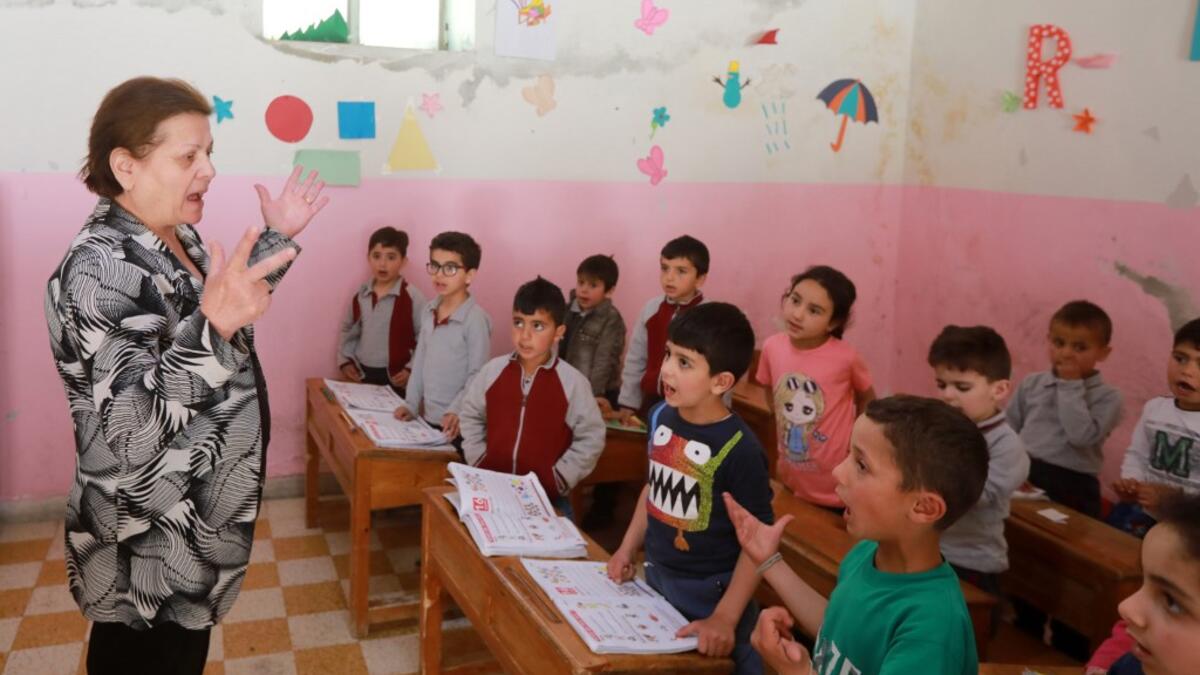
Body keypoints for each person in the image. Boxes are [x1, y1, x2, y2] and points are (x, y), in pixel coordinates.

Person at [44, 76, 329, 675]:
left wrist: (279, 239)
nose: (208, 171)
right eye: (188, 156)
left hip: (190, 524)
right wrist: (215, 330)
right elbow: (135, 430)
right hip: (145, 538)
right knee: (141, 658)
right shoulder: (101, 269)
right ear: (125, 166)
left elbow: (226, 306)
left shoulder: (181, 239)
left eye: (209, 154)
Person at [725, 396, 988, 675]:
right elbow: (839, 628)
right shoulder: (866, 554)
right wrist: (769, 561)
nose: (838, 471)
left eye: (861, 465)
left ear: (923, 507)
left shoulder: (931, 629)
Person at [608, 303, 773, 674]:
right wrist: (626, 547)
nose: (666, 369)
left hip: (712, 592)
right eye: (668, 354)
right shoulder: (660, 415)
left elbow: (758, 542)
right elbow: (654, 486)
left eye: (684, 363)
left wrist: (726, 619)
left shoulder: (741, 449)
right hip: (657, 575)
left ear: (721, 382)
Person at [457, 278, 606, 518]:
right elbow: (470, 415)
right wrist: (479, 460)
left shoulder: (573, 384)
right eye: (518, 323)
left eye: (538, 326)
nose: (525, 335)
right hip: (492, 492)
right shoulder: (492, 372)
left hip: (547, 500)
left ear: (559, 332)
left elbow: (592, 437)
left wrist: (559, 478)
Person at [755, 265, 875, 509]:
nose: (797, 314)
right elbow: (771, 392)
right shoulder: (771, 347)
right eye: (795, 300)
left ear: (834, 322)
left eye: (814, 311)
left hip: (835, 480)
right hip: (791, 471)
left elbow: (867, 398)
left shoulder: (846, 358)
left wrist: (855, 444)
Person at [928, 325, 1030, 595]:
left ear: (999, 389)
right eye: (942, 384)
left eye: (962, 387)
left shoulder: (1007, 445)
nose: (947, 395)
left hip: (971, 563)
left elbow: (974, 496)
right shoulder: (939, 428)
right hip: (927, 550)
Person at [1007, 300, 1122, 518]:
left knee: (1063, 543)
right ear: (1049, 340)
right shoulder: (1032, 383)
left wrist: (1070, 385)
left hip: (1073, 482)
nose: (1066, 353)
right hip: (1025, 471)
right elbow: (1009, 427)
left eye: (1080, 347)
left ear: (1103, 353)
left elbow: (1080, 437)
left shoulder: (1109, 398)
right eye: (1059, 343)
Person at [394, 231, 491, 441]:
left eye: (450, 268)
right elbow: (420, 362)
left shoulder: (475, 319)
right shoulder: (429, 310)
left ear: (470, 275)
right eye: (435, 266)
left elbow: (478, 374)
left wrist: (456, 410)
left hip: (459, 423)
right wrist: (411, 404)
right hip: (429, 417)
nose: (439, 274)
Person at [1111, 318, 1200, 537]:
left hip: (1189, 528)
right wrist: (1131, 482)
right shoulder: (1154, 409)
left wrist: (1176, 499)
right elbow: (1138, 455)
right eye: (1180, 358)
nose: (1187, 371)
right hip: (1145, 514)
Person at [616, 235, 709, 421]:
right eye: (665, 268)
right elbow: (636, 358)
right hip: (650, 401)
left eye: (681, 271)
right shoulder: (651, 309)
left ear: (700, 279)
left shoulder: (708, 316)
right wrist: (628, 403)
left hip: (690, 406)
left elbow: (718, 367)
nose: (670, 277)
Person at [337, 226, 425, 391]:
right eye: (376, 256)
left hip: (397, 377)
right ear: (368, 258)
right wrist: (345, 362)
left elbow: (425, 336)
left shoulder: (412, 296)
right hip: (362, 374)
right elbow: (347, 329)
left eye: (391, 257)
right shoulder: (360, 295)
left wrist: (411, 368)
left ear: (404, 261)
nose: (382, 264)